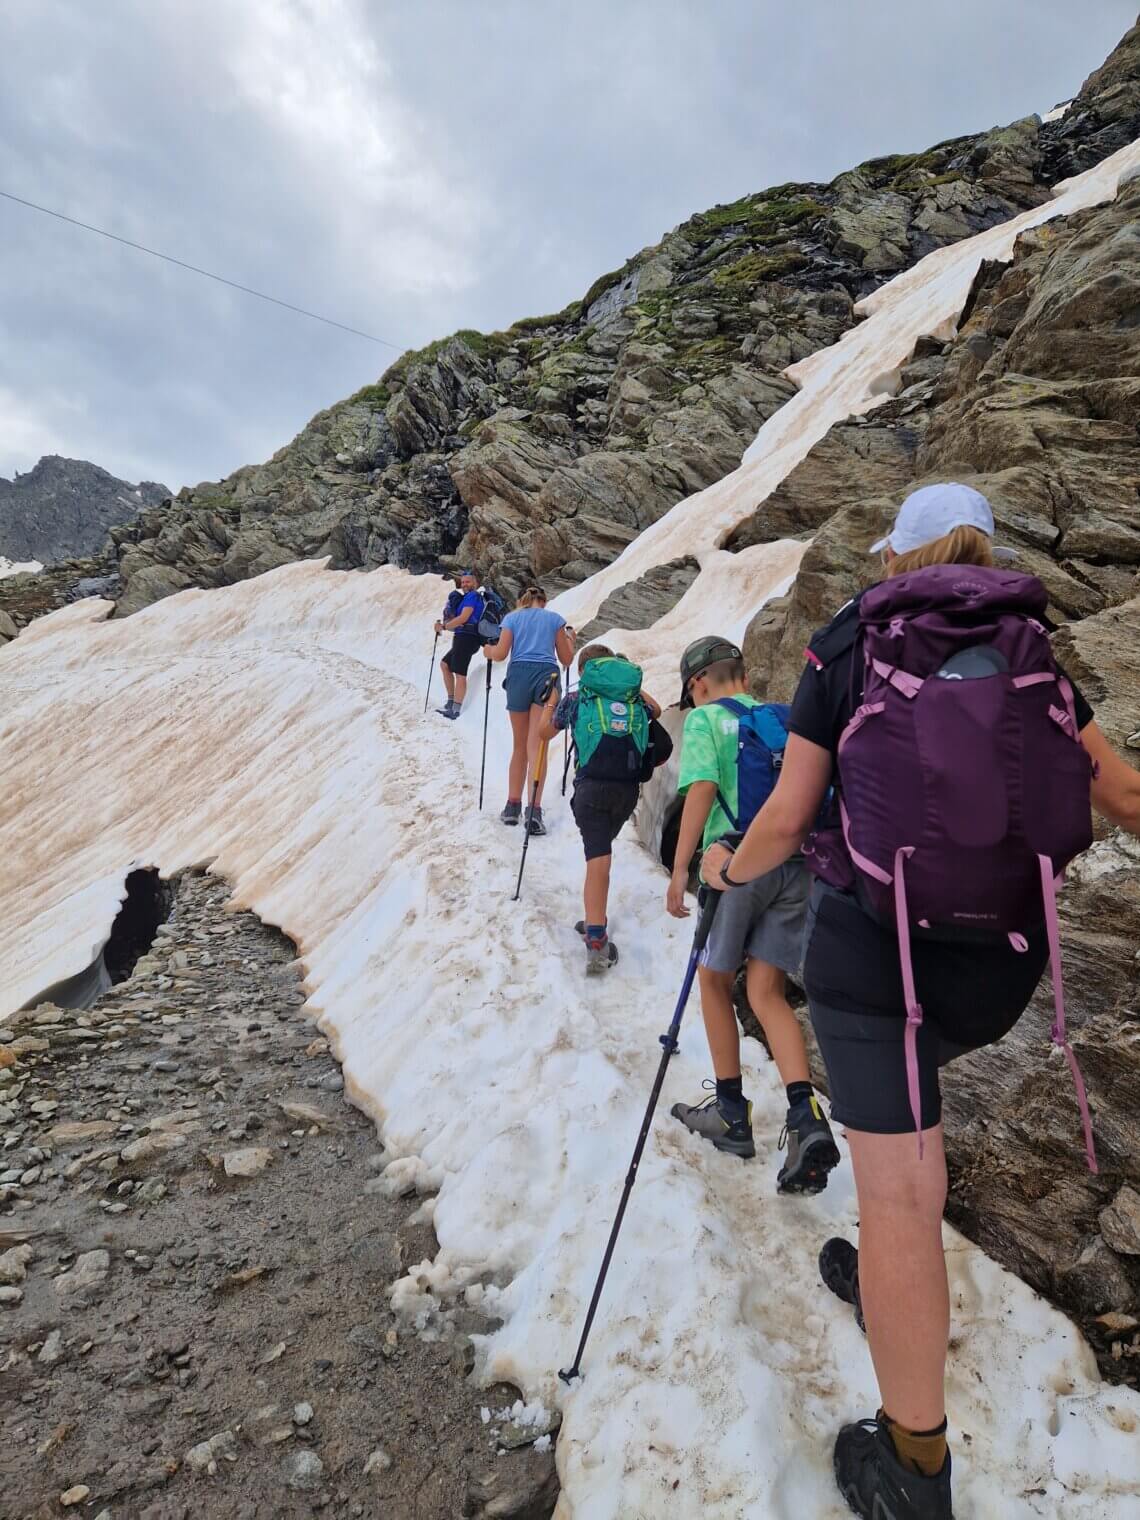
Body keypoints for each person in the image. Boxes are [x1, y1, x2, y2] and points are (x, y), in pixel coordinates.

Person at [699, 482, 1140, 1520]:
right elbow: (1119, 795)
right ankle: (890, 1275)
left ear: (895, 552)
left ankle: (914, 1464)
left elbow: (788, 815)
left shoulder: (852, 637)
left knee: (900, 1186)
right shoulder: (1032, 640)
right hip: (996, 972)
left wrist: (725, 870)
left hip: (875, 960)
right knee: (903, 1141)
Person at [665, 635, 839, 1191]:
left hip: (736, 862)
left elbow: (702, 790)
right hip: (798, 863)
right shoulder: (783, 716)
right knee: (767, 992)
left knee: (715, 981)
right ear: (741, 672)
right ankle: (805, 1115)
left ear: (698, 684)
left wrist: (678, 870)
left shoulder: (704, 721)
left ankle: (732, 1113)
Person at [539, 643, 662, 973]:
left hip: (591, 789)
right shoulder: (634, 701)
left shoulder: (578, 700)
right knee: (601, 855)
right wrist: (627, 687)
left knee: (598, 859)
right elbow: (658, 710)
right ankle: (595, 917)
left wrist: (551, 700)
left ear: (584, 673)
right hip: (626, 792)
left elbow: (543, 731)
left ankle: (596, 938)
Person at [483, 586, 574, 835]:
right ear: (543, 601)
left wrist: (487, 650)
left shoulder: (511, 618)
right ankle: (533, 810)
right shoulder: (554, 619)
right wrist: (569, 640)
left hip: (518, 676)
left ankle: (512, 806)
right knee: (537, 745)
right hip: (545, 675)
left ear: (522, 600)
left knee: (519, 745)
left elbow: (500, 654)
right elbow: (566, 659)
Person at [434, 571, 485, 719]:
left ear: (475, 583)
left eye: (468, 582)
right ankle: (451, 701)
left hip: (467, 638)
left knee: (460, 673)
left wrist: (444, 627)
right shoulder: (465, 598)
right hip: (462, 637)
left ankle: (455, 709)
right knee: (445, 664)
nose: (464, 585)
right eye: (462, 582)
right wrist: (445, 625)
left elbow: (464, 618)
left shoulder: (472, 596)